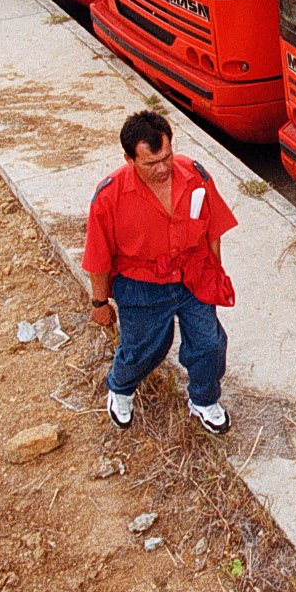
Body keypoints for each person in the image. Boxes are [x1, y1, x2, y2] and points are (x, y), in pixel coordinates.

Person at [83, 110, 238, 434]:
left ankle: (203, 399)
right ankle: (121, 389)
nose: (163, 168)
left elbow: (212, 230)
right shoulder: (109, 196)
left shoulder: (195, 175)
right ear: (129, 159)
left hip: (191, 275)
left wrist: (215, 272)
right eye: (152, 163)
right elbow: (97, 258)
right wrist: (100, 304)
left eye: (166, 157)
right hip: (142, 285)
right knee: (143, 349)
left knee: (210, 343)